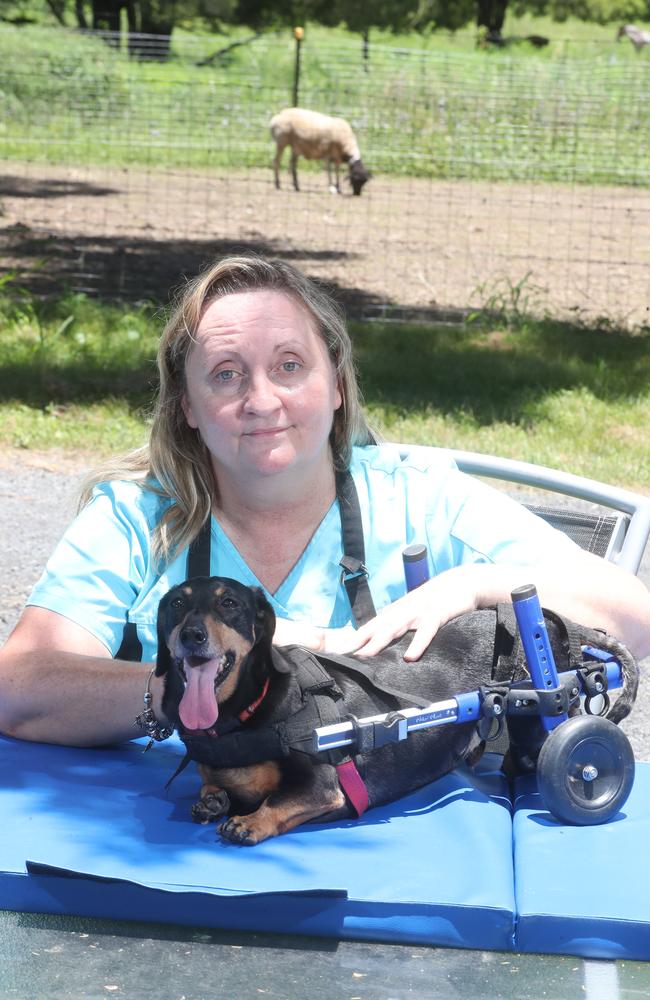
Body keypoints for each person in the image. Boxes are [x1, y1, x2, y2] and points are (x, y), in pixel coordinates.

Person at [1, 254, 649, 749]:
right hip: (183, 842)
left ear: (335, 385)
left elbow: (637, 617)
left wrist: (477, 585)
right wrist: (196, 688)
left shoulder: (420, 499)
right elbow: (18, 688)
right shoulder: (138, 517)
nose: (262, 400)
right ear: (187, 407)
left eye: (289, 365)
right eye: (226, 374)